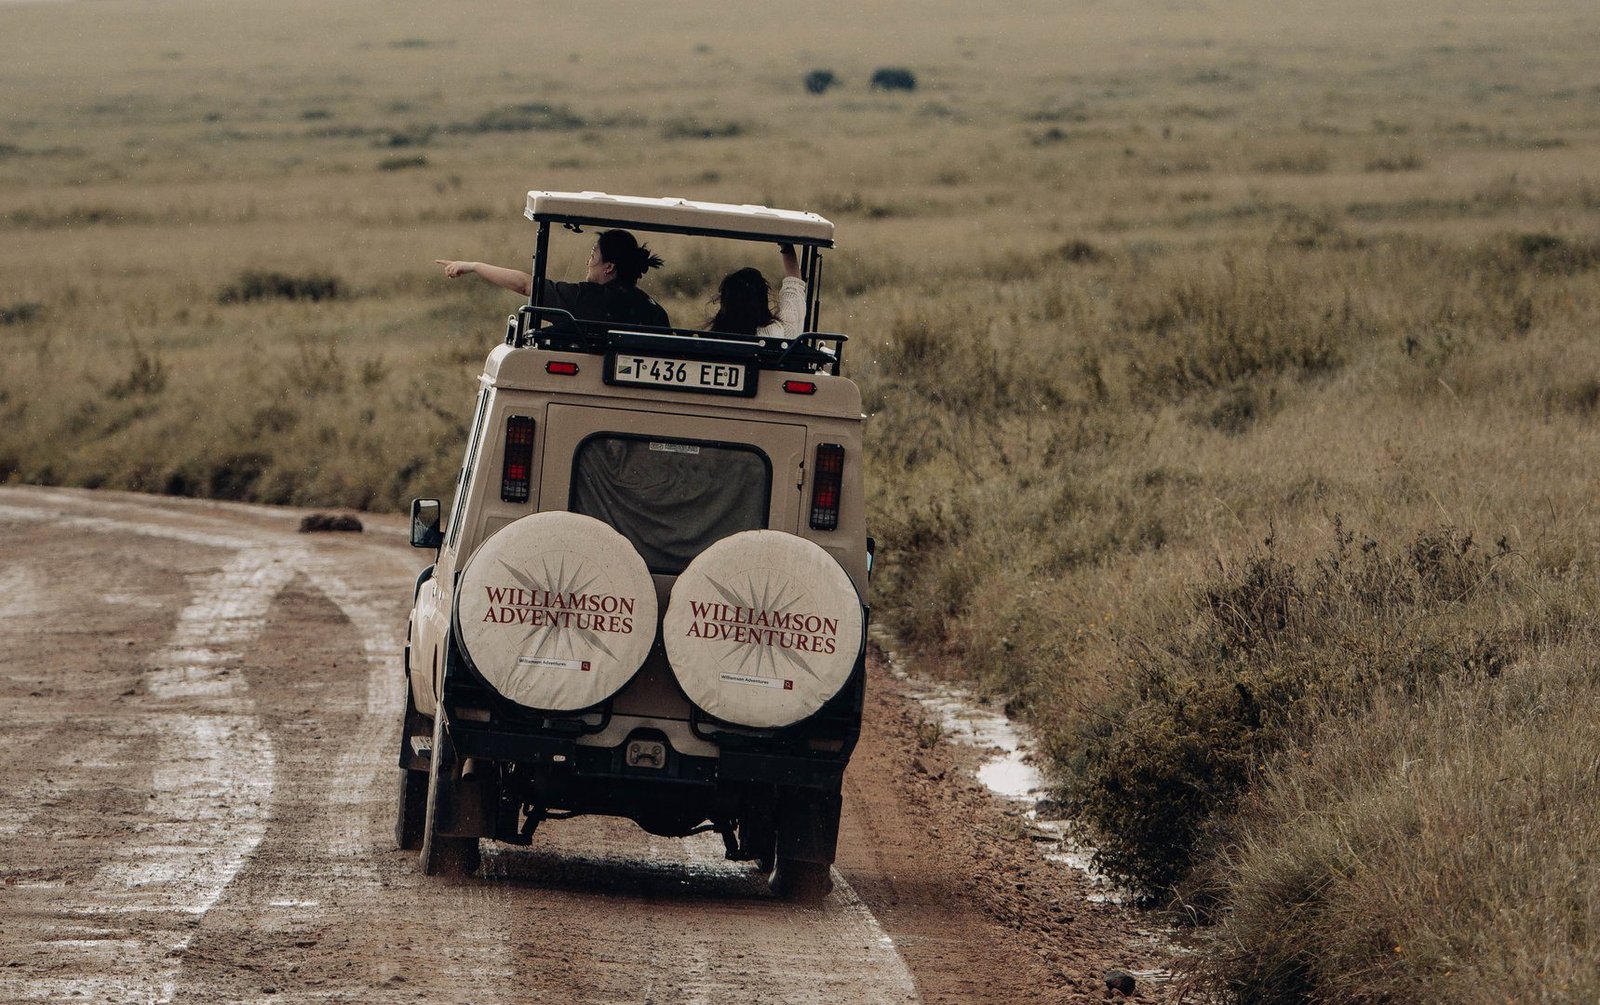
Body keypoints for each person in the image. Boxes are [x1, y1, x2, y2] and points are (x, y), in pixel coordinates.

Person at [436, 229, 669, 329]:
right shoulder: (655, 310)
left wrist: (474, 266)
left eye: (592, 256)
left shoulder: (587, 298)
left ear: (608, 267)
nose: (587, 262)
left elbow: (525, 284)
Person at [706, 244, 805, 340]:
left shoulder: (712, 343)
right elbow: (794, 285)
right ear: (762, 301)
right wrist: (786, 246)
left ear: (725, 303)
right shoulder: (781, 333)